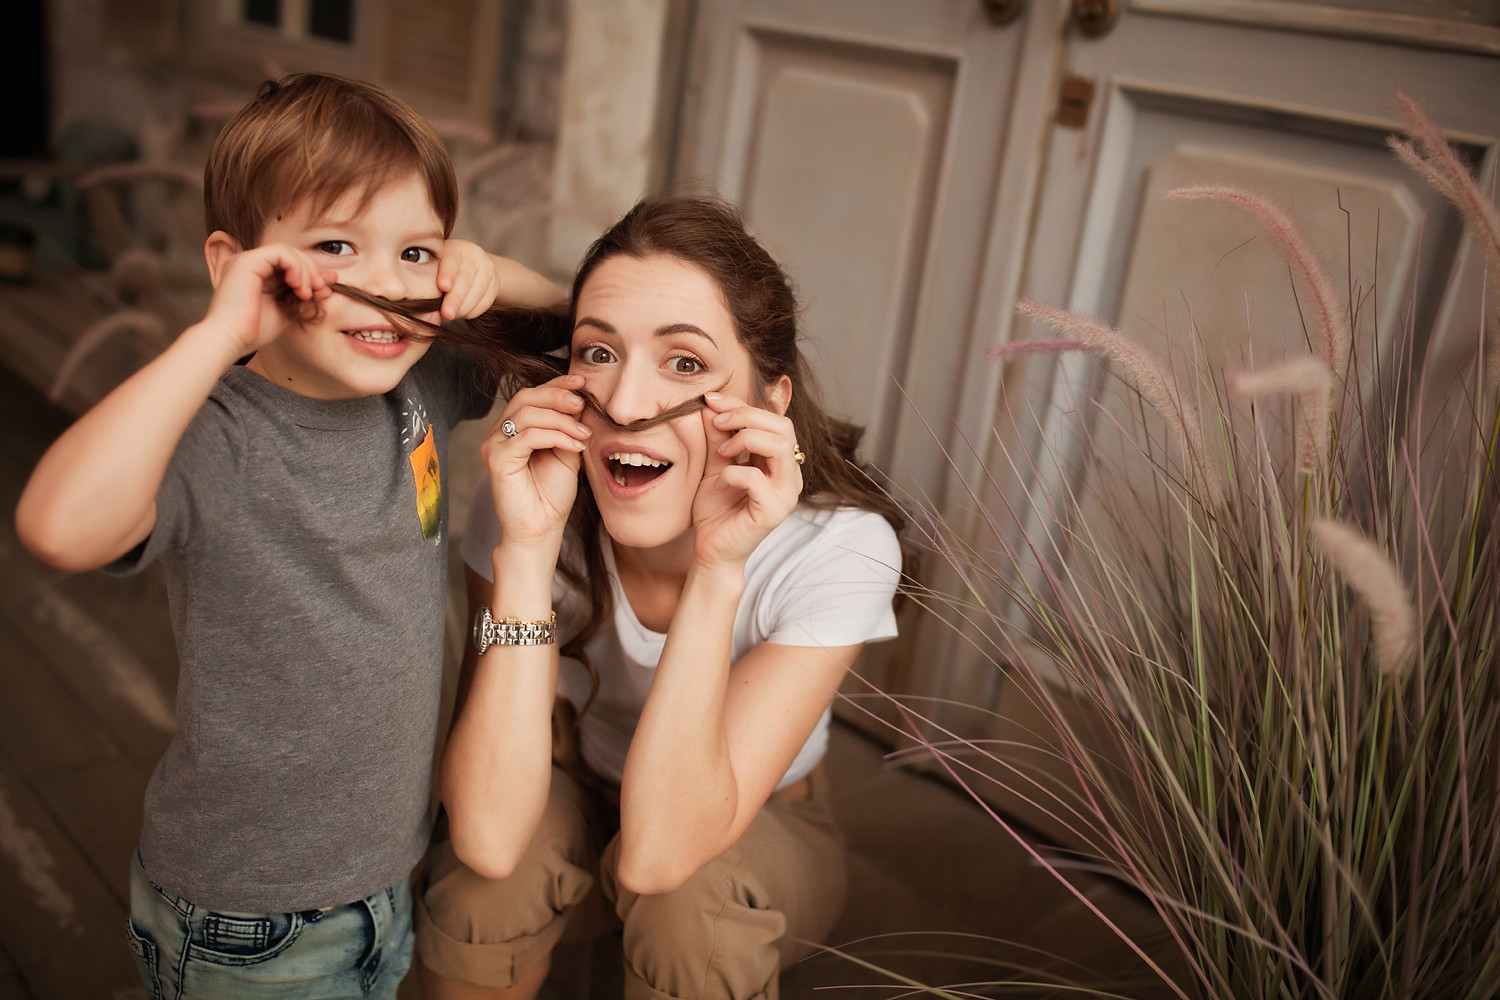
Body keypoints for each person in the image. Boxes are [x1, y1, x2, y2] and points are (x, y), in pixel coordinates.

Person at [13, 73, 564, 998]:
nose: (389, 283)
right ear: (237, 263)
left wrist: (485, 270)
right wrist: (217, 330)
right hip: (249, 915)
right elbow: (57, 527)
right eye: (337, 246)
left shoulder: (418, 388)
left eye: (416, 252)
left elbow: (562, 321)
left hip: (386, 872)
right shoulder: (217, 435)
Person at [415, 196, 905, 999]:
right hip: (570, 774)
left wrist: (719, 567)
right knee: (477, 886)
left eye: (684, 362)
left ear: (770, 402)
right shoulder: (525, 508)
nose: (632, 405)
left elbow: (658, 853)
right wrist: (529, 558)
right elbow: (486, 834)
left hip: (754, 815)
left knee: (687, 909)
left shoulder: (839, 547)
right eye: (598, 352)